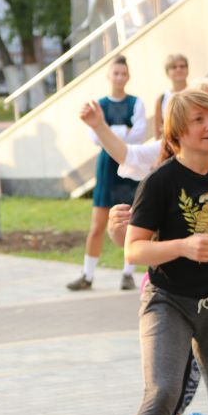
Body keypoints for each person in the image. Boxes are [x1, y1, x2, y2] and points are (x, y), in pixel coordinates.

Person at [123, 89, 208, 415]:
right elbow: (133, 251)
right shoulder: (160, 182)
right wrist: (183, 246)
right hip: (168, 302)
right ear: (177, 132)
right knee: (163, 392)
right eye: (199, 120)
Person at [67, 55, 146, 291]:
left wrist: (108, 130)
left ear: (128, 76)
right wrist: (123, 130)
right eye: (116, 73)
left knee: (131, 220)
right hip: (106, 167)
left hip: (130, 165)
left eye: (123, 73)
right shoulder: (99, 104)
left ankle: (128, 274)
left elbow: (139, 135)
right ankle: (87, 275)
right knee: (98, 224)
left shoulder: (136, 102)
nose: (120, 77)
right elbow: (95, 137)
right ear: (109, 76)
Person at [154, 54, 189, 139]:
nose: (179, 69)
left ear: (187, 69)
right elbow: (158, 134)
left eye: (182, 66)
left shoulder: (197, 91)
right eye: (174, 67)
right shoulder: (161, 99)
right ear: (167, 73)